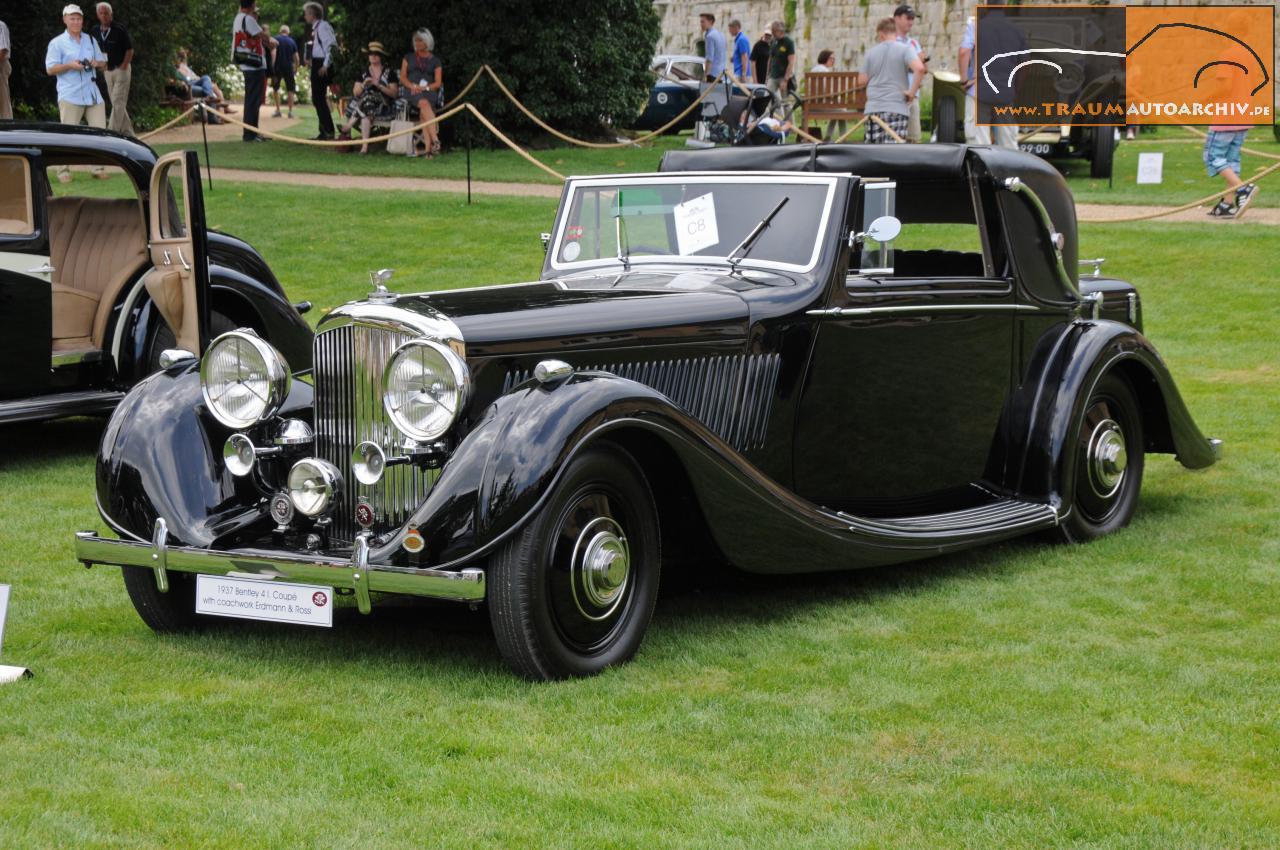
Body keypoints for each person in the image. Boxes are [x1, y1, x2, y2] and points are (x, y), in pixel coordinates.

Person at [45, 5, 108, 181]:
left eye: (78, 18)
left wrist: (97, 63)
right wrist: (70, 65)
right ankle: (63, 171)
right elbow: (50, 69)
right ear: (65, 20)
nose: (76, 21)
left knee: (99, 133)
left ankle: (98, 168)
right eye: (72, 18)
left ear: (82, 20)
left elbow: (104, 63)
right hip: (70, 94)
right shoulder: (57, 42)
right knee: (67, 136)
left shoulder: (90, 39)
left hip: (93, 93)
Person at [959, 1, 1019, 148]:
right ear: (1004, 5)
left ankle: (983, 170)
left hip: (979, 88)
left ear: (986, 4)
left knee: (979, 144)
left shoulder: (975, 25)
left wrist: (964, 79)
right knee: (1008, 143)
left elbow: (964, 51)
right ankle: (1009, 171)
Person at [858, 17, 925, 144]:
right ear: (895, 32)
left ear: (881, 34)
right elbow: (920, 69)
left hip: (873, 110)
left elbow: (862, 80)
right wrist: (911, 93)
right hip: (897, 108)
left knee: (872, 154)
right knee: (894, 154)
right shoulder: (905, 49)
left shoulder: (870, 52)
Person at [336, 42, 397, 155]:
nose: (373, 56)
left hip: (383, 105)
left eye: (376, 54)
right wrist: (364, 85)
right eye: (371, 54)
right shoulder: (364, 73)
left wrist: (378, 85)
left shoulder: (389, 72)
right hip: (367, 108)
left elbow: (393, 94)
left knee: (368, 97)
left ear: (381, 56)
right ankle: (364, 147)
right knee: (366, 106)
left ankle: (348, 125)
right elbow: (356, 93)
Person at [232, 0, 274, 142]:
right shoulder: (248, 19)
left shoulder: (238, 18)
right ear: (252, 5)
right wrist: (267, 33)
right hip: (254, 64)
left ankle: (252, 132)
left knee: (251, 100)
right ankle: (250, 134)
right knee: (253, 101)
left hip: (246, 62)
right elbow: (264, 36)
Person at [400, 28, 443, 158]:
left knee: (424, 113)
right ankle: (435, 140)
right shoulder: (408, 57)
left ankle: (428, 151)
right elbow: (403, 77)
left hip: (429, 91)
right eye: (416, 40)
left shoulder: (436, 61)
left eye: (420, 40)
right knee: (424, 104)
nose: (417, 43)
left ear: (427, 42)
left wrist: (425, 88)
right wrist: (412, 86)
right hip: (412, 91)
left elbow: (438, 82)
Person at [91, 3, 132, 136]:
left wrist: (125, 65)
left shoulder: (119, 29)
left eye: (106, 13)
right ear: (98, 15)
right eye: (101, 13)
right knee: (116, 102)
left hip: (121, 69)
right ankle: (129, 134)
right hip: (107, 70)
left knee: (118, 101)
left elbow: (130, 50)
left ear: (111, 14)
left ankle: (111, 132)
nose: (104, 16)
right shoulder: (95, 30)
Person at [893, 5, 928, 142]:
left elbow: (923, 68)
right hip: (896, 95)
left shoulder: (913, 42)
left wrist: (921, 62)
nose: (911, 22)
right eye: (908, 18)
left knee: (914, 138)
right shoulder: (890, 41)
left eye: (912, 19)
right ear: (897, 18)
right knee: (894, 137)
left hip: (913, 95)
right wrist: (915, 63)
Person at [303, 2, 336, 140]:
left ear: (312, 14)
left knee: (318, 98)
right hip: (318, 62)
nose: (305, 16)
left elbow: (331, 46)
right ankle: (324, 130)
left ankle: (328, 131)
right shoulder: (317, 28)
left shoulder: (322, 26)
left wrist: (325, 65)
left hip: (322, 64)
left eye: (306, 13)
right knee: (318, 98)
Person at [809, 49, 848, 142]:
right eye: (831, 58)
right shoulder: (825, 71)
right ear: (825, 58)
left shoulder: (813, 70)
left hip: (811, 105)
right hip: (823, 105)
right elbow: (829, 91)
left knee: (838, 110)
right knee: (842, 110)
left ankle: (828, 136)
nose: (833, 60)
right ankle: (843, 138)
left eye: (834, 59)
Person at [271, 24, 299, 118]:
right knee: (290, 89)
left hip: (277, 67)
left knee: (275, 88)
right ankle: (290, 111)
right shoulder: (292, 42)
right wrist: (296, 68)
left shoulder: (275, 39)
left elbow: (273, 53)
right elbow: (297, 58)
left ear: (280, 31)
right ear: (288, 32)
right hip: (288, 67)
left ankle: (278, 110)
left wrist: (272, 67)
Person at [766, 21, 796, 107]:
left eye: (774, 31)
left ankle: (789, 120)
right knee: (767, 97)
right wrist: (768, 75)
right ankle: (773, 119)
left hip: (783, 76)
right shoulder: (773, 41)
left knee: (786, 103)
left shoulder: (788, 42)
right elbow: (770, 59)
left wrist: (786, 80)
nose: (772, 33)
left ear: (779, 31)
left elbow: (791, 62)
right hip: (773, 76)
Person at [700, 13, 725, 83]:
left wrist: (705, 75)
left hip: (712, 74)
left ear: (710, 22)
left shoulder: (710, 36)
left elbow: (709, 58)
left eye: (703, 21)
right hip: (721, 74)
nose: (701, 24)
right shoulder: (721, 35)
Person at [727, 19, 751, 83]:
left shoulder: (741, 39)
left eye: (730, 29)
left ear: (736, 28)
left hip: (740, 73)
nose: (729, 31)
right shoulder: (739, 39)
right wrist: (734, 58)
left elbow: (744, 57)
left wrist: (744, 74)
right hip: (739, 72)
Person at [0, 18, 11, 120]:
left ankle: (6, 127)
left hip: (1, 65)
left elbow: (3, 50)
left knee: (3, 103)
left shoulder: (1, 25)